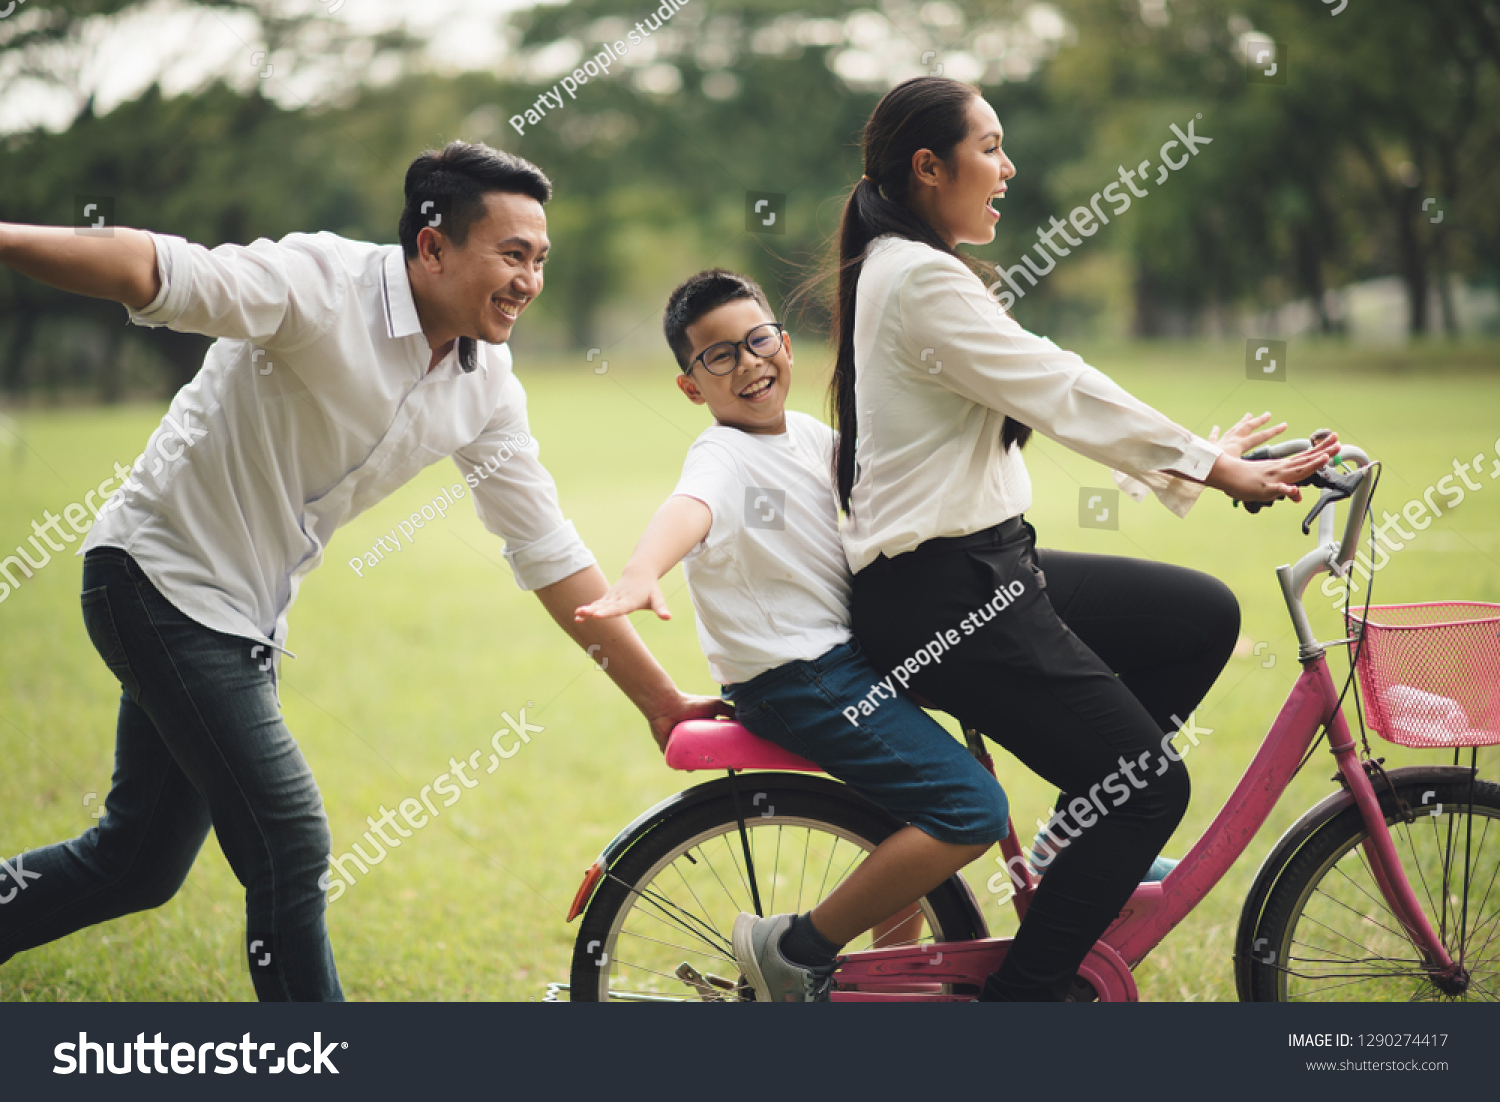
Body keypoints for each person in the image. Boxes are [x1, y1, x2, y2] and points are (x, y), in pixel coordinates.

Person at [0, 141, 727, 1001]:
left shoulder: (484, 382)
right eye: (511, 254)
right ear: (432, 246)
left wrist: (662, 702)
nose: (528, 279)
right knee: (289, 841)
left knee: (135, 864)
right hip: (157, 581)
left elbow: (548, 552)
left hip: (243, 617)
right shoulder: (319, 283)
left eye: (539, 258)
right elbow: (154, 268)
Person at [822, 77, 1340, 1001]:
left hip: (982, 570)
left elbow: (1045, 386)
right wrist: (1215, 470)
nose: (1007, 166)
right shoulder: (919, 279)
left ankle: (1074, 840)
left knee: (1198, 616)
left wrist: (1199, 456)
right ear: (928, 167)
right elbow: (1062, 386)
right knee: (1150, 788)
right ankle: (1027, 1009)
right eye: (990, 147)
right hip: (948, 596)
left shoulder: (911, 269)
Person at [573, 268, 1010, 1002]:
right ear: (692, 387)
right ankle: (795, 948)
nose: (747, 363)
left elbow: (900, 477)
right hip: (799, 678)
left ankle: (890, 984)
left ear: (784, 344)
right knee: (971, 810)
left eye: (758, 340)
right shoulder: (723, 457)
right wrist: (644, 569)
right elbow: (689, 508)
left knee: (924, 795)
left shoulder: (809, 437)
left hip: (844, 664)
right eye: (719, 356)